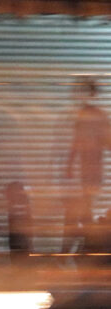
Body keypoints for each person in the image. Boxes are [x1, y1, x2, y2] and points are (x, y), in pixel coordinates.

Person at [64, 77, 110, 253]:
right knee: (84, 204)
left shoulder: (93, 116)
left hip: (91, 168)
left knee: (85, 204)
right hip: (88, 169)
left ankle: (89, 241)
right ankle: (89, 241)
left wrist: (69, 165)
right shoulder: (88, 115)